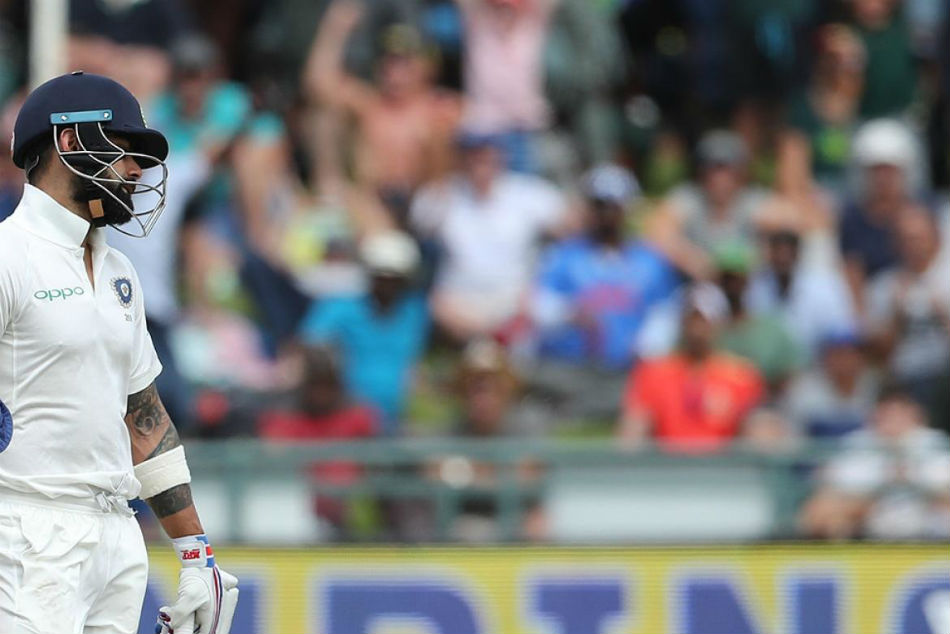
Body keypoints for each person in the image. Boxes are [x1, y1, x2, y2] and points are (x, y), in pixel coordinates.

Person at [0, 73, 237, 633]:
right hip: (25, 531)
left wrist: (195, 554)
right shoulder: (9, 255)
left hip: (116, 537)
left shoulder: (119, 271)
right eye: (124, 149)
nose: (136, 170)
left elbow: (143, 417)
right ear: (68, 141)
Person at [411, 131, 569, 342]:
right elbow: (420, 225)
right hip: (460, 300)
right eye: (474, 157)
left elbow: (570, 227)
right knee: (438, 306)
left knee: (554, 307)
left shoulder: (527, 193)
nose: (481, 165)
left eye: (487, 157)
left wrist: (542, 276)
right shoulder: (443, 193)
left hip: (515, 299)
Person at [530, 164, 678, 369]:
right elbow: (540, 305)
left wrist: (646, 347)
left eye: (613, 206)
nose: (607, 214)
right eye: (600, 206)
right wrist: (569, 314)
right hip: (568, 368)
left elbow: (664, 313)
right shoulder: (563, 256)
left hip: (626, 370)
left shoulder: (649, 261)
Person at [298, 230, 428, 434]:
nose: (387, 285)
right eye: (381, 277)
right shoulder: (340, 307)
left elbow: (412, 364)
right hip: (347, 420)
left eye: (395, 278)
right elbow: (310, 343)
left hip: (395, 419)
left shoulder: (413, 312)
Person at [619, 283, 765, 452]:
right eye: (691, 320)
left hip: (721, 463)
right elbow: (635, 427)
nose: (696, 329)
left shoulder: (741, 375)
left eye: (703, 321)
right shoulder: (655, 372)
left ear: (719, 323)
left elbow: (754, 426)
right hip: (669, 463)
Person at [799, 385, 950, 540]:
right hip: (870, 516)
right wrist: (882, 482)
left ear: (916, 415)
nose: (894, 420)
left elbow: (943, 485)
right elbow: (837, 484)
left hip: (925, 516)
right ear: (875, 416)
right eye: (888, 414)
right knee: (824, 509)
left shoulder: (934, 442)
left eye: (900, 413)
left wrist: (910, 477)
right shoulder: (859, 442)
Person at [648, 129, 768, 280]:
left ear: (741, 173)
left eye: (727, 170)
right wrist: (699, 263)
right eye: (713, 169)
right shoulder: (689, 197)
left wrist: (753, 258)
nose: (720, 179)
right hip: (696, 286)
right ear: (701, 172)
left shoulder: (751, 200)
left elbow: (790, 224)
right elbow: (657, 233)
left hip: (744, 286)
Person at [781, 331, 880, 439]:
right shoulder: (804, 391)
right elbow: (794, 436)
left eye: (851, 354)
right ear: (824, 358)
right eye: (838, 354)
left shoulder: (874, 386)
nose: (845, 360)